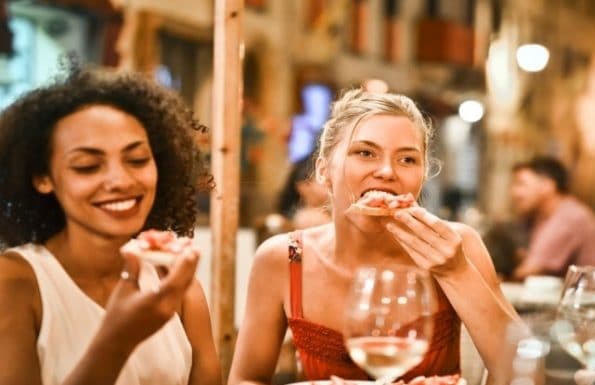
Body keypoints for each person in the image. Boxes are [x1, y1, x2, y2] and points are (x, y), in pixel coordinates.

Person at [228, 89, 520, 385]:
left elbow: (522, 370)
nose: (386, 171)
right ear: (323, 170)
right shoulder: (285, 257)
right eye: (365, 153)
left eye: (407, 159)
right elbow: (244, 379)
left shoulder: (458, 244)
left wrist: (455, 271)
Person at [0, 65, 221, 385]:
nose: (120, 180)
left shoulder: (174, 285)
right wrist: (117, 340)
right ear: (43, 178)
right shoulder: (17, 283)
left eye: (137, 160)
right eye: (88, 166)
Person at [509, 156, 595, 280]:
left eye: (521, 184)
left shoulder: (569, 217)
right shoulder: (540, 216)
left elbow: (528, 271)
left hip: (593, 295)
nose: (514, 192)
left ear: (547, 186)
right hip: (573, 294)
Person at [276, 154, 331, 230]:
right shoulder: (308, 219)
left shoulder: (326, 214)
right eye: (321, 176)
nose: (329, 181)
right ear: (304, 186)